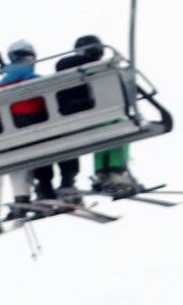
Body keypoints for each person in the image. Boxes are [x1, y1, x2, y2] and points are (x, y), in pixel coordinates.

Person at [0, 40, 56, 238]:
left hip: (9, 128)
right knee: (43, 151)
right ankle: (42, 191)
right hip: (31, 122)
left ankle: (21, 201)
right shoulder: (30, 76)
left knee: (17, 159)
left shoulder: (3, 81)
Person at [52, 34, 138, 200]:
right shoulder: (92, 69)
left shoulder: (70, 67)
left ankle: (102, 174)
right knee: (119, 125)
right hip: (91, 118)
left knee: (106, 128)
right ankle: (115, 171)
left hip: (73, 122)